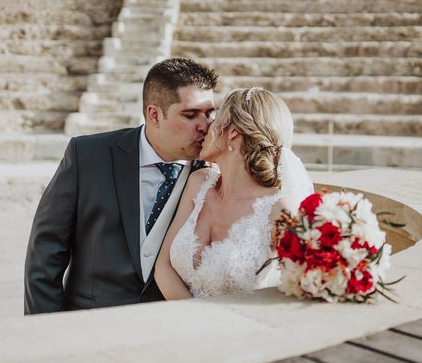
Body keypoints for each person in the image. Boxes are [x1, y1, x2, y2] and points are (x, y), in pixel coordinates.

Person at [24, 58, 218, 314]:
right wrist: (45, 329)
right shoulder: (88, 155)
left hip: (169, 332)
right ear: (154, 114)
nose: (205, 126)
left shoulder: (212, 175)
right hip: (89, 323)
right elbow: (45, 252)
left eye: (209, 113)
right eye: (191, 115)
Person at [155, 87, 313, 298]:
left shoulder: (279, 210)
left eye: (215, 117)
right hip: (181, 320)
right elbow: (163, 267)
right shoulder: (199, 182)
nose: (205, 127)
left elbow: (300, 291)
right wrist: (192, 323)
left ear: (232, 132)